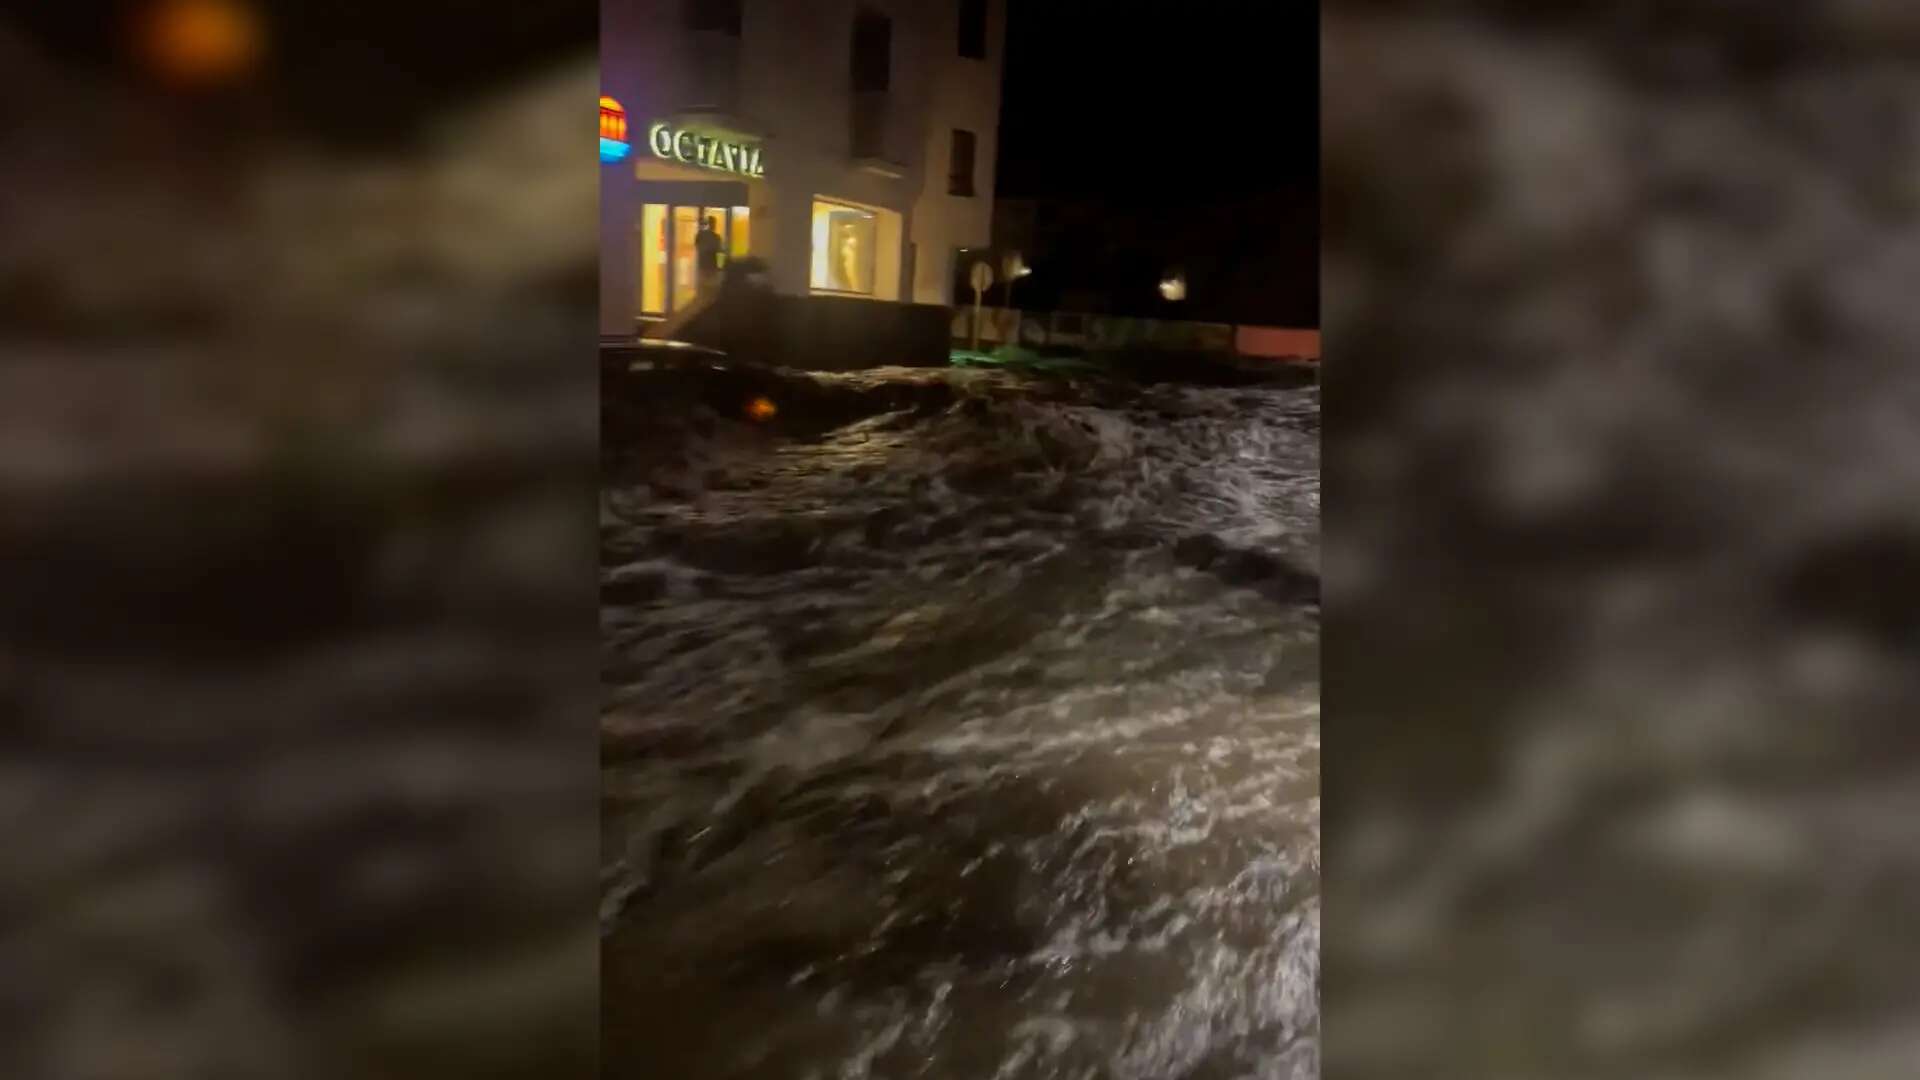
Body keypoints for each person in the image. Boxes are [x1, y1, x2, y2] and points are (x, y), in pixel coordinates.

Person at [693, 217, 723, 296]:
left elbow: (698, 248)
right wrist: (720, 267)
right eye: (712, 223)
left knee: (705, 291)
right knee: (710, 291)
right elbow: (719, 252)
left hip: (706, 267)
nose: (713, 225)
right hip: (710, 268)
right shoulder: (715, 237)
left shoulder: (700, 236)